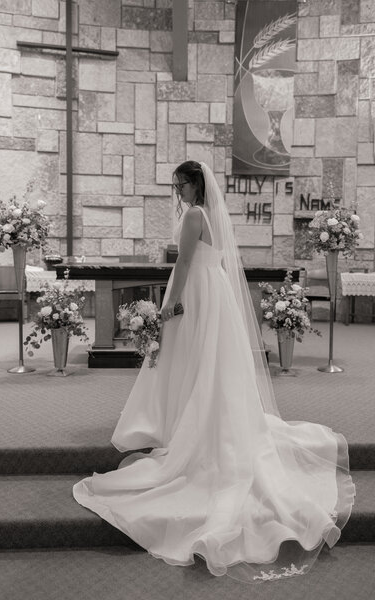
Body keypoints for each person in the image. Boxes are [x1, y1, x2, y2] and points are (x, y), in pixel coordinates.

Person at [73, 161, 355, 583]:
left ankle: (193, 428)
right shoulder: (213, 214)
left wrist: (169, 306)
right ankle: (205, 419)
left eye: (180, 185)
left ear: (194, 183)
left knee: (197, 363)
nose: (177, 192)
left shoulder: (193, 215)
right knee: (213, 366)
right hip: (214, 292)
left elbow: (183, 264)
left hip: (196, 294)